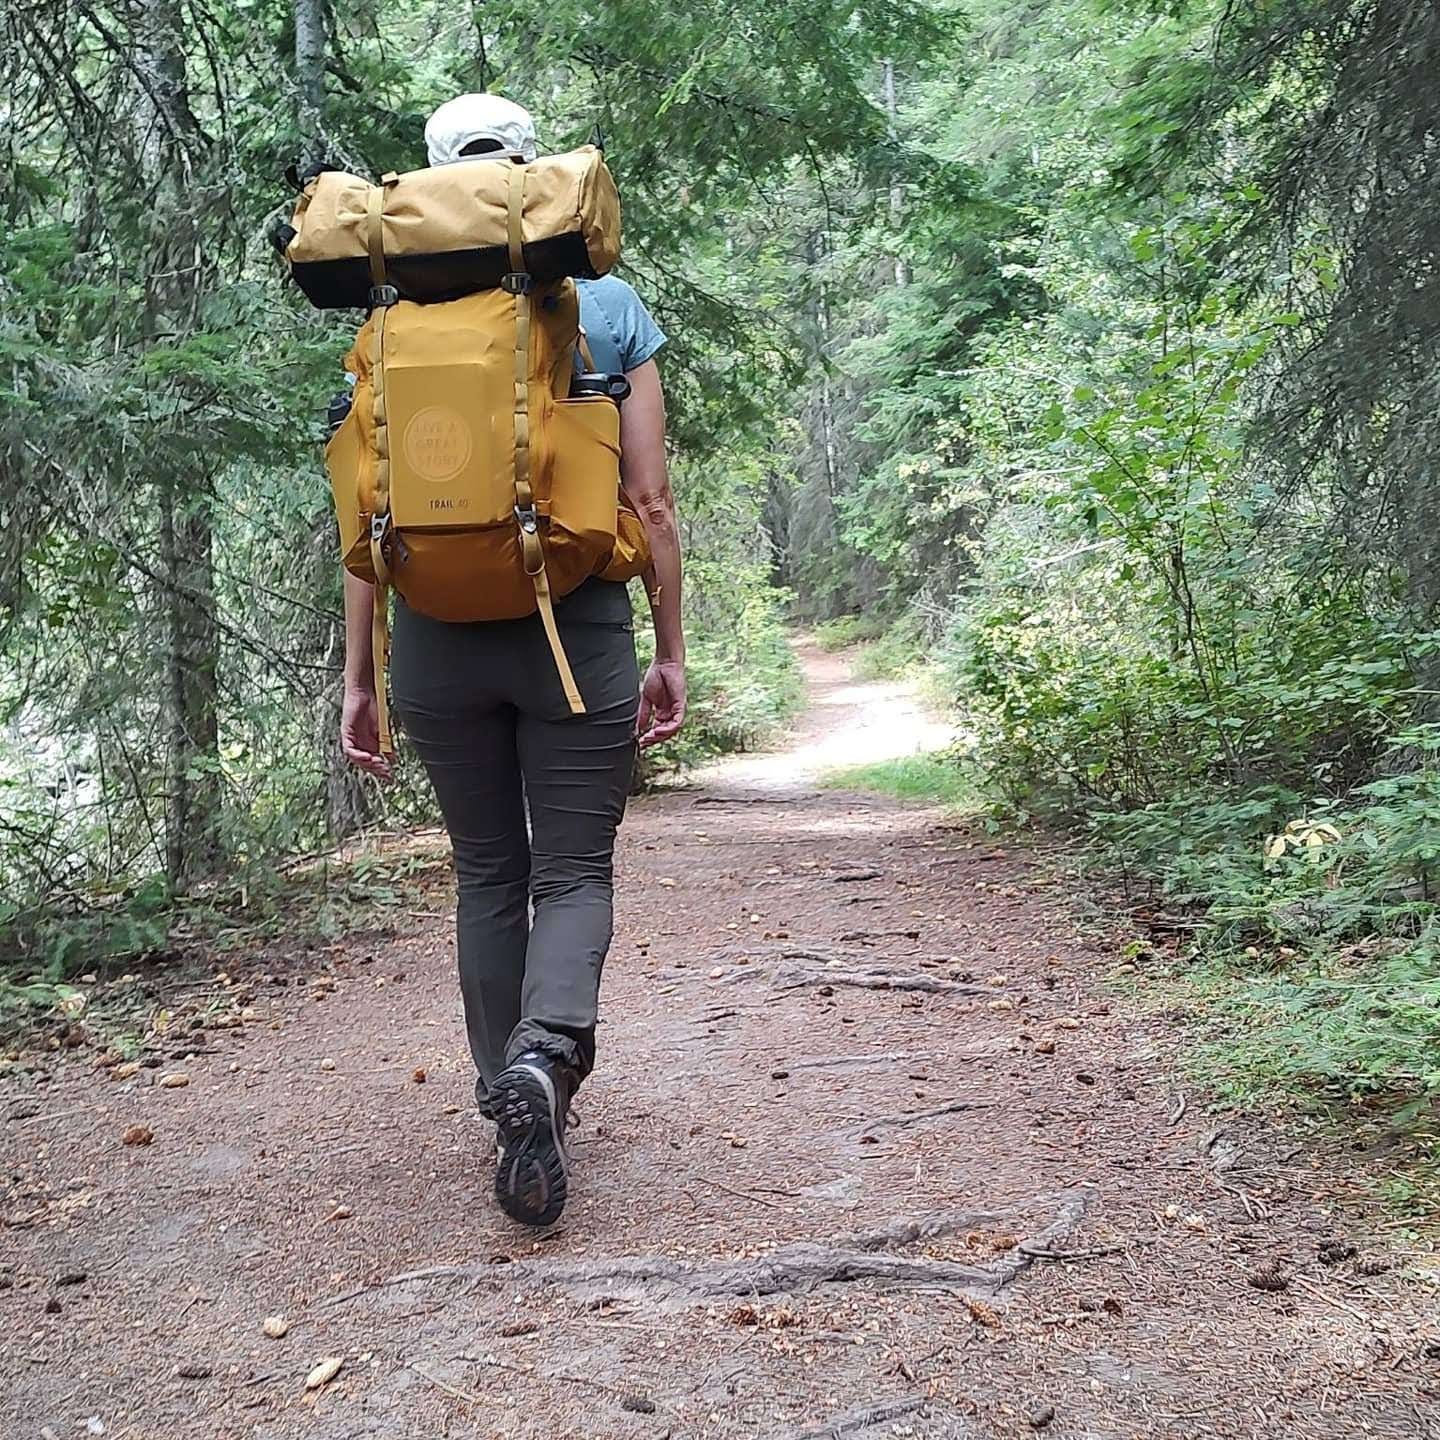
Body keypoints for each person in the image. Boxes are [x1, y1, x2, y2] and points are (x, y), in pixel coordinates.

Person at [337, 94, 685, 1228]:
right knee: (573, 873)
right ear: (528, 178)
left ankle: (509, 1093)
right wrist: (671, 647)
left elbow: (363, 514)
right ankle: (546, 1057)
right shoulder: (607, 305)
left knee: (489, 871)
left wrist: (363, 678)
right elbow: (649, 500)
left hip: (435, 638)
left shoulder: (388, 318)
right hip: (574, 629)